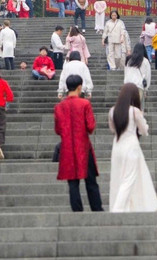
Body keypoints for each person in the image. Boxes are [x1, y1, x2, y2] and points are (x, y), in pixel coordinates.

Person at [54, 74, 103, 212]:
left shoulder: (59, 107)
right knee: (91, 181)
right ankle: (96, 208)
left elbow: (58, 130)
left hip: (67, 147)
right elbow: (91, 126)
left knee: (72, 182)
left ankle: (77, 211)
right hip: (83, 146)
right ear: (80, 87)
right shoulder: (85, 104)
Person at [108, 83, 157, 212]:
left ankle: (124, 206)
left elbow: (112, 129)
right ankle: (119, 208)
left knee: (118, 177)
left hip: (117, 144)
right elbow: (144, 130)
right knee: (130, 178)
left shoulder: (113, 111)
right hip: (131, 145)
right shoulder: (135, 111)